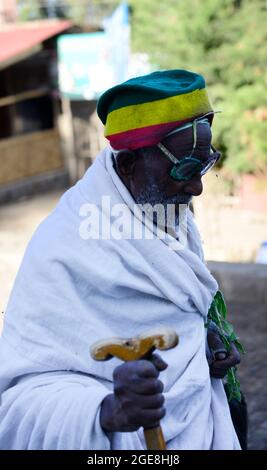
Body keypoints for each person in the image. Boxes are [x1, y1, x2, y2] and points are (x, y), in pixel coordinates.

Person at [0, 70, 244, 450]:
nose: (197, 187)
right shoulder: (61, 248)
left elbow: (179, 317)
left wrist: (201, 347)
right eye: (184, 170)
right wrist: (105, 412)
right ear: (128, 164)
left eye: (205, 165)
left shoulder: (168, 212)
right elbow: (18, 402)